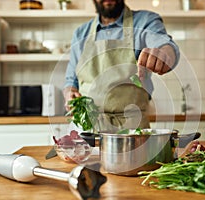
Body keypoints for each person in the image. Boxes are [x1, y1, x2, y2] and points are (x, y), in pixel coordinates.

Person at [63, 0, 180, 131]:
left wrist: (164, 54)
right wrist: (70, 94)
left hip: (132, 129)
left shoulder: (145, 21)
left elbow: (164, 44)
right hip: (86, 128)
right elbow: (71, 81)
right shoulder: (80, 33)